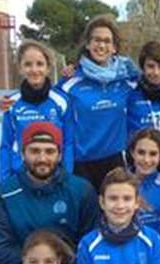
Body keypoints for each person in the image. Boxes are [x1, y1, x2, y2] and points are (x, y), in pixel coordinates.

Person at [0, 121, 99, 264]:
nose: (42, 158)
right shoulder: (5, 192)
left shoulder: (81, 190)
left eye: (49, 151)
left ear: (59, 155)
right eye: (34, 151)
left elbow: (91, 243)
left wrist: (57, 263)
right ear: (23, 154)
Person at [58, 16, 140, 192]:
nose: (101, 46)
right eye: (96, 40)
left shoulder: (127, 80)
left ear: (114, 48)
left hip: (116, 161)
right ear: (87, 44)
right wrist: (11, 101)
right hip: (82, 164)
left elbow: (155, 81)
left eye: (107, 41)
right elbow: (45, 100)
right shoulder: (70, 82)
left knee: (116, 216)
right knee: (86, 218)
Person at [0, 40, 74, 182]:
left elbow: (68, 142)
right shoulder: (11, 103)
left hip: (53, 176)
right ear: (20, 68)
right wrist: (4, 180)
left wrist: (66, 176)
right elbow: (6, 145)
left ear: (47, 68)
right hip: (20, 176)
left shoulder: (61, 101)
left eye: (40, 64)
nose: (34, 69)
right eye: (28, 64)